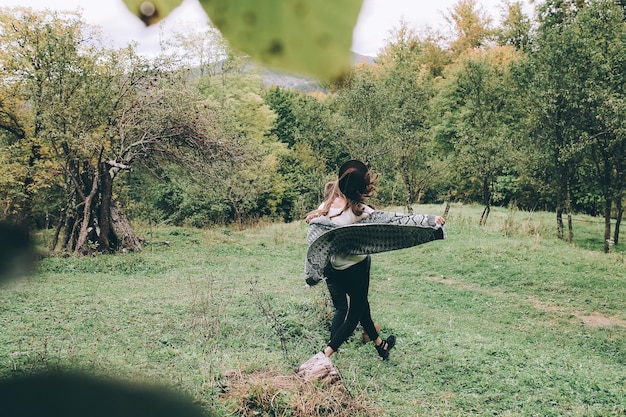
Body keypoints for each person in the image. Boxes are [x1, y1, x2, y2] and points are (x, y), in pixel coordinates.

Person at [304, 160, 445, 362]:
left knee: (361, 306)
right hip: (357, 269)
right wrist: (430, 221)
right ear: (361, 188)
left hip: (335, 268)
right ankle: (324, 356)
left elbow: (316, 234)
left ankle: (381, 346)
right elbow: (397, 220)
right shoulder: (361, 212)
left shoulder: (325, 208)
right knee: (355, 313)